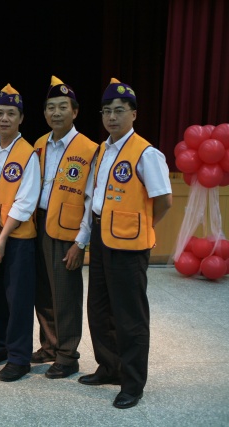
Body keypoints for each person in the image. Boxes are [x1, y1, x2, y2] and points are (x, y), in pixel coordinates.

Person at [79, 78, 172, 409]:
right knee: (99, 309)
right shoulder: (102, 150)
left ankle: (132, 383)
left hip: (130, 245)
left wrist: (141, 227)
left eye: (119, 111)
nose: (112, 117)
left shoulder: (146, 153)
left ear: (134, 114)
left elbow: (164, 201)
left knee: (130, 316)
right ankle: (110, 368)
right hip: (102, 237)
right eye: (106, 111)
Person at [31, 76, 99, 379]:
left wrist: (80, 242)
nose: (55, 113)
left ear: (75, 111)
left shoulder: (89, 148)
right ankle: (49, 346)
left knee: (66, 295)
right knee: (43, 292)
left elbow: (91, 199)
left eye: (62, 107)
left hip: (67, 230)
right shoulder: (39, 144)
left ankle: (68, 355)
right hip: (38, 224)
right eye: (50, 108)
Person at [0, 84, 40, 381]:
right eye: (0, 113)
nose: (4, 118)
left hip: (17, 239)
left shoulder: (29, 154)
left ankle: (19, 358)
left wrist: (2, 238)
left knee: (18, 301)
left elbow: (26, 202)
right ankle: (0, 345)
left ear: (21, 118)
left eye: (11, 114)